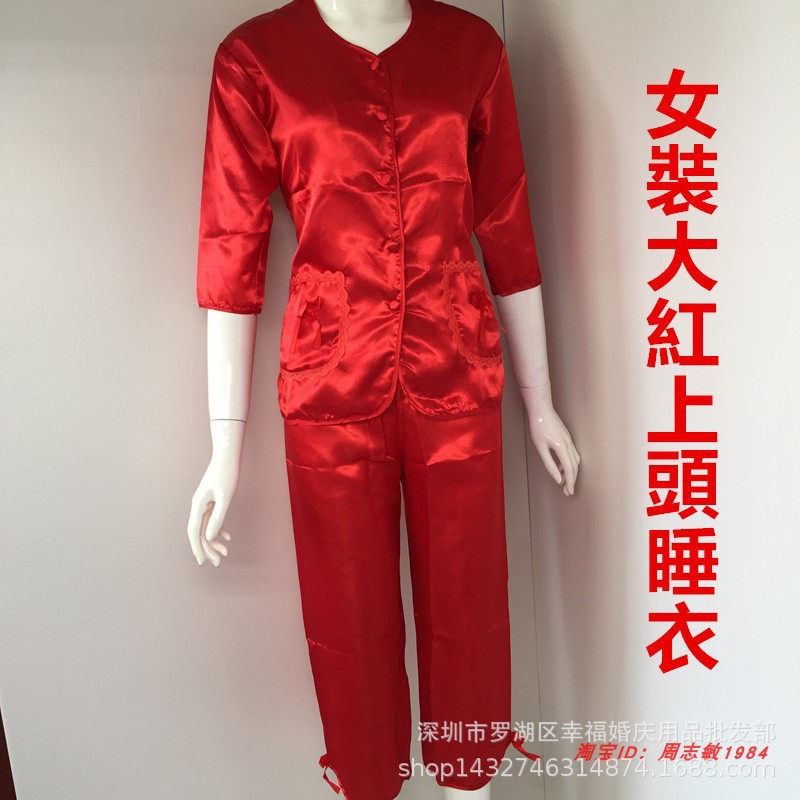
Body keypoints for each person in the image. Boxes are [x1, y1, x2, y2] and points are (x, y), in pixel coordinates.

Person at [187, 1, 580, 798]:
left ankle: (470, 782)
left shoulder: (471, 49)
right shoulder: (256, 59)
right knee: (349, 624)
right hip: (330, 380)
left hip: (456, 370)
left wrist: (540, 402)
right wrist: (224, 443)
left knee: (470, 612)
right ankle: (368, 780)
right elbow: (232, 244)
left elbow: (506, 222)